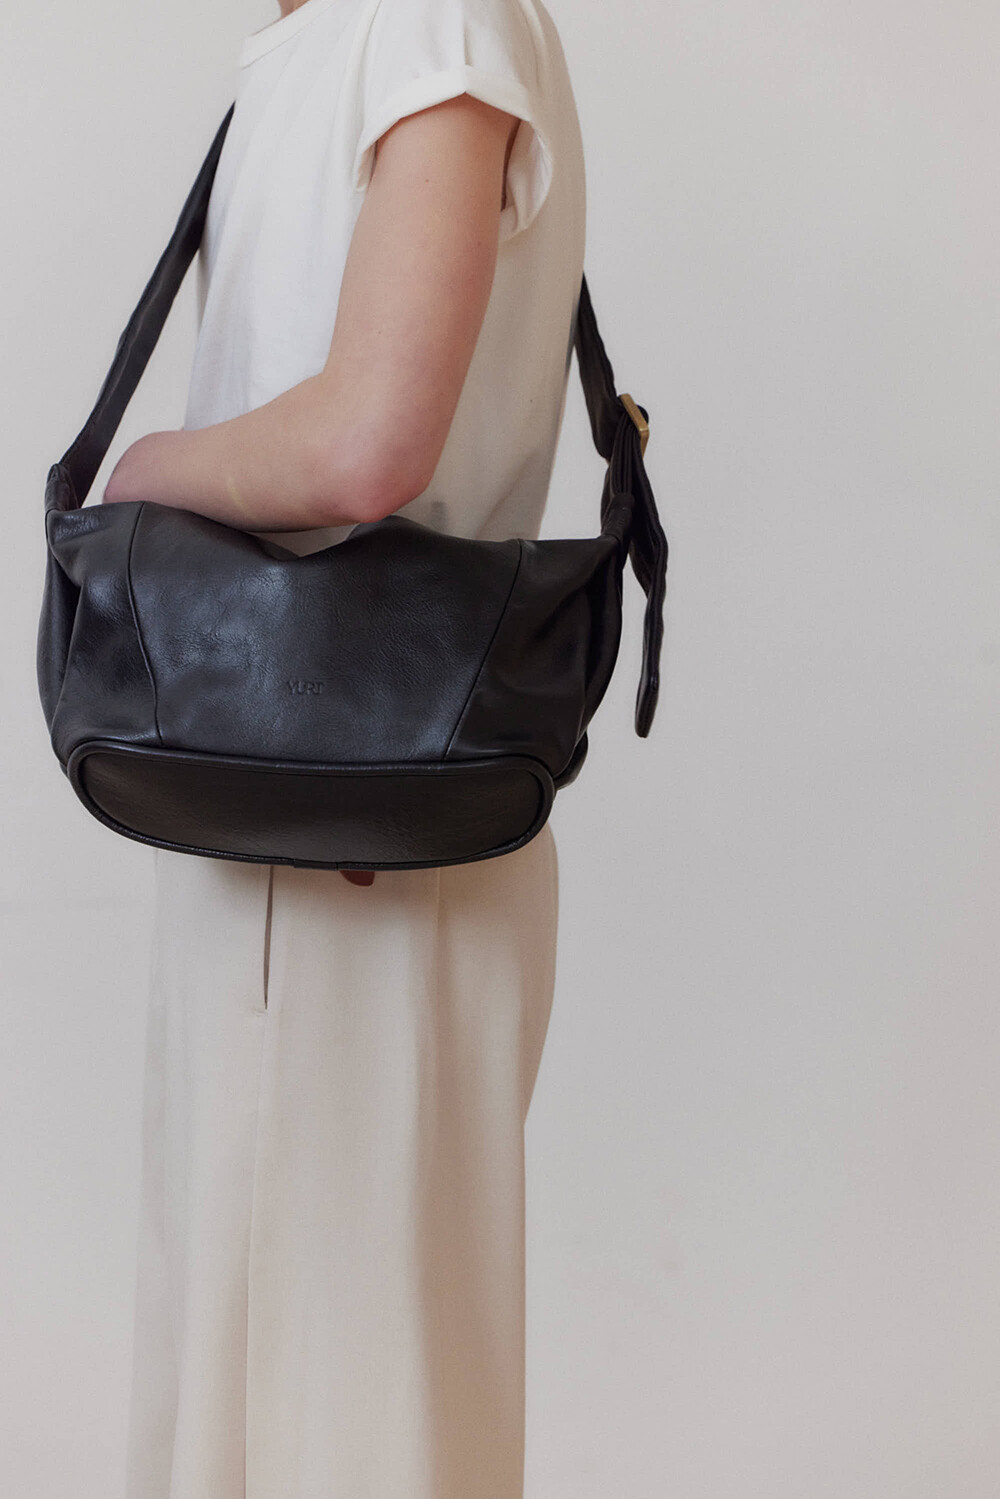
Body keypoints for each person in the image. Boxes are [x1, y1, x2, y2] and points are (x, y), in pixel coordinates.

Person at [102, 0, 586, 1493]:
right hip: (263, 813)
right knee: (295, 1405)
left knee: (344, 1423)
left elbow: (371, 444)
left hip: (369, 837)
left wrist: (141, 473)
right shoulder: (312, 48)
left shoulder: (427, 21)